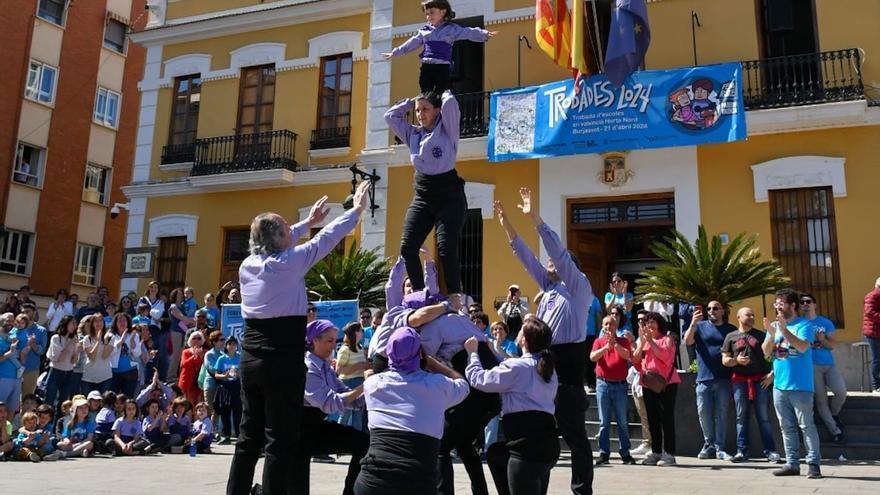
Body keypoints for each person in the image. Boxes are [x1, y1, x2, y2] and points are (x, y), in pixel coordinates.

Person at [228, 181, 370, 495]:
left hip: (251, 358)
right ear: (279, 240)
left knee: (248, 439)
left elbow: (271, 237)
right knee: (280, 440)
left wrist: (305, 222)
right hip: (282, 358)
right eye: (286, 230)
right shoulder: (288, 263)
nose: (291, 232)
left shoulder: (248, 264)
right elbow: (327, 239)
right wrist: (356, 210)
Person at [495, 188, 595, 495]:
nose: (549, 261)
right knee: (544, 436)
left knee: (576, 439)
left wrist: (534, 217)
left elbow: (558, 252)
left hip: (566, 372)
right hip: (542, 368)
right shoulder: (549, 289)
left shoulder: (578, 287)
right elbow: (525, 257)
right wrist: (508, 225)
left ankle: (582, 491)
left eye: (555, 260)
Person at [397, 291, 499, 495]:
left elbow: (423, 361)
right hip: (491, 392)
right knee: (462, 443)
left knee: (440, 445)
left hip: (475, 388)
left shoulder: (433, 325)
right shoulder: (460, 317)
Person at [354, 327, 470, 494]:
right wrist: (434, 364)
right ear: (420, 354)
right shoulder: (437, 385)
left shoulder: (373, 385)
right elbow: (463, 386)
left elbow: (372, 380)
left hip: (372, 481)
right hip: (416, 481)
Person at [385, 89, 467, 297]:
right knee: (407, 247)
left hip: (449, 195)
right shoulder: (413, 134)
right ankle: (420, 293)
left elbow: (451, 106)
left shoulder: (448, 129)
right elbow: (390, 117)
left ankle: (455, 294)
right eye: (418, 110)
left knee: (445, 246)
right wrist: (411, 101)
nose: (420, 114)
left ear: (437, 111)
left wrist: (444, 91)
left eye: (425, 109)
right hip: (423, 193)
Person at [465, 316, 560, 495]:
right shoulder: (547, 369)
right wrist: (495, 348)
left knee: (500, 457)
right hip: (546, 445)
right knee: (495, 454)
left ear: (524, 340)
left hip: (526, 449)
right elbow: (509, 367)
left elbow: (479, 379)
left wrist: (473, 353)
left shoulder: (518, 368)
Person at [294, 320, 369, 495]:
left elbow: (347, 394)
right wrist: (363, 388)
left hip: (316, 429)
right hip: (297, 434)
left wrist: (375, 390)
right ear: (314, 341)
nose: (334, 345)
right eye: (329, 341)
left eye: (335, 340)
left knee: (364, 443)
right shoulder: (308, 368)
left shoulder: (325, 366)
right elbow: (330, 403)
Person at [762, 289, 822, 479]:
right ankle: (792, 464)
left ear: (792, 305)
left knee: (806, 426)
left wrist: (784, 330)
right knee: (786, 427)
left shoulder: (804, 325)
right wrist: (772, 334)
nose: (778, 306)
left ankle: (813, 465)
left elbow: (803, 347)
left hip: (801, 386)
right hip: (780, 386)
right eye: (776, 303)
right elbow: (765, 352)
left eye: (781, 303)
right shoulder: (774, 325)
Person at [382, 0, 496, 93]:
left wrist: (484, 34)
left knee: (441, 93)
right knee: (425, 92)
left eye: (431, 12)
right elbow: (411, 43)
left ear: (442, 12)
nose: (428, 16)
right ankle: (427, 111)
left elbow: (467, 32)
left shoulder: (451, 29)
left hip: (442, 67)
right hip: (426, 66)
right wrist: (395, 52)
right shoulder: (424, 31)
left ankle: (440, 113)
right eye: (426, 13)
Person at [720, 307, 780, 463]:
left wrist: (772, 374)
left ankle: (771, 451)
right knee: (741, 417)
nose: (752, 316)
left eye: (753, 314)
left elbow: (776, 354)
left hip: (761, 381)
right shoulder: (730, 337)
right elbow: (725, 360)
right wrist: (736, 361)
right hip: (740, 381)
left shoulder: (761, 335)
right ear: (738, 317)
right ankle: (742, 451)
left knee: (763, 417)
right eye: (748, 314)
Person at [684, 300, 735, 460]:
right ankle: (708, 444)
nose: (712, 311)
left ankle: (720, 447)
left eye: (715, 308)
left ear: (722, 311)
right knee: (703, 413)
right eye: (709, 308)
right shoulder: (700, 326)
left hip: (724, 378)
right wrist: (693, 322)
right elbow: (687, 341)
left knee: (722, 413)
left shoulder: (730, 329)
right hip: (704, 378)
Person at [632, 312, 681, 466]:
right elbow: (635, 360)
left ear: (659, 324)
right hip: (648, 383)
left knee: (666, 419)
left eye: (653, 322)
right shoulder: (645, 341)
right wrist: (641, 343)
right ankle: (656, 452)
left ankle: (669, 454)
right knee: (653, 419)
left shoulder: (667, 340)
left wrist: (650, 341)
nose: (650, 325)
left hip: (666, 384)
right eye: (647, 322)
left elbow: (665, 358)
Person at [800, 293, 846, 442]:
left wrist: (822, 339)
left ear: (815, 305)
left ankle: (833, 415)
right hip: (811, 366)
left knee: (841, 392)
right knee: (821, 401)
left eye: (808, 301)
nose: (805, 304)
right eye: (802, 302)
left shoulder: (825, 322)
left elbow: (832, 345)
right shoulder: (799, 324)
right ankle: (835, 430)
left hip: (828, 364)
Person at [590, 316, 636, 465]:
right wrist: (605, 348)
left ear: (616, 326)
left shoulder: (623, 341)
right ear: (603, 327)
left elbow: (627, 356)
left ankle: (625, 452)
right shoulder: (598, 342)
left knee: (622, 421)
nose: (609, 326)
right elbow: (592, 357)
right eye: (606, 324)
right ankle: (604, 453)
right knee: (604, 421)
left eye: (612, 324)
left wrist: (615, 344)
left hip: (620, 385)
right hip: (603, 384)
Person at [336, 322, 369, 432]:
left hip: (360, 384)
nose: (362, 332)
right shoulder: (345, 349)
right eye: (360, 330)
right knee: (344, 416)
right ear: (354, 333)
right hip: (347, 384)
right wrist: (357, 367)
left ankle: (356, 445)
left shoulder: (359, 347)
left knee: (358, 417)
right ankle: (338, 443)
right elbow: (339, 370)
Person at [44, 315, 80, 413]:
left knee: (63, 403)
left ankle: (58, 425)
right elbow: (58, 358)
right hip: (56, 371)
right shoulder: (56, 338)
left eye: (75, 324)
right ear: (66, 323)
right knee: (49, 400)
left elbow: (74, 361)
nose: (74, 326)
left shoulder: (74, 339)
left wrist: (77, 349)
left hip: (68, 372)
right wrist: (69, 344)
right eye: (72, 323)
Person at [12, 305, 46, 400]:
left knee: (27, 399)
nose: (24, 314)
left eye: (27, 311)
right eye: (23, 312)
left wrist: (33, 344)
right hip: (13, 368)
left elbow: (42, 351)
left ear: (34, 313)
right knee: (11, 399)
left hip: (31, 369)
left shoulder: (41, 330)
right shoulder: (15, 329)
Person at [213, 336, 242, 444]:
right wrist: (224, 376)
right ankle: (226, 435)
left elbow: (244, 372)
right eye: (229, 344)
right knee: (225, 411)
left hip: (236, 386)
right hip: (225, 386)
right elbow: (216, 374)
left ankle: (240, 435)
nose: (232, 346)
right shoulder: (222, 358)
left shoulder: (240, 357)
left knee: (237, 411)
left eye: (234, 344)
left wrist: (239, 374)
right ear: (226, 346)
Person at [138, 281, 168, 381]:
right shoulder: (142, 299)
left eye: (155, 287)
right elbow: (139, 312)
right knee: (141, 351)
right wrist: (153, 313)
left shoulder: (160, 302)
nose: (153, 289)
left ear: (158, 289)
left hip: (154, 330)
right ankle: (141, 376)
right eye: (151, 287)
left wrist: (147, 311)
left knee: (153, 353)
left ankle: (151, 378)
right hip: (142, 328)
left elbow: (158, 315)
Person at [109, 312, 142, 399]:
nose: (122, 323)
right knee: (113, 399)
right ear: (115, 323)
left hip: (130, 372)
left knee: (128, 399)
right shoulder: (110, 336)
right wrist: (121, 340)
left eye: (124, 320)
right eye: (119, 321)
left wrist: (132, 341)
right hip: (114, 373)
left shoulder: (134, 335)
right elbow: (110, 352)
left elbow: (137, 354)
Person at [80, 314, 114, 394]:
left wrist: (105, 341)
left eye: (100, 320)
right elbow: (91, 357)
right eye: (96, 321)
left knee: (103, 403)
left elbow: (105, 356)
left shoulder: (110, 338)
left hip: (105, 377)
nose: (98, 323)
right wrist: (98, 342)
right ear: (92, 323)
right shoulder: (87, 338)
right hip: (88, 377)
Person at [0, 317, 22, 415]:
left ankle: (8, 430)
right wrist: (10, 352)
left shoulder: (14, 336)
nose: (11, 323)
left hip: (17, 378)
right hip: (3, 377)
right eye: (8, 320)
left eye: (12, 321)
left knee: (12, 409)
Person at [179, 332, 206, 406]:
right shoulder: (186, 352)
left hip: (199, 383)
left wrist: (200, 357)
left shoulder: (205, 352)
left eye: (199, 338)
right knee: (187, 405)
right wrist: (193, 356)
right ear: (190, 340)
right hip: (187, 382)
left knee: (199, 405)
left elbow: (204, 366)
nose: (196, 340)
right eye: (194, 338)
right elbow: (183, 365)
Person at [864, 277, 880, 395]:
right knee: (877, 359)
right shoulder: (873, 295)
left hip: (876, 331)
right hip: (874, 332)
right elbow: (870, 312)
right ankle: (876, 386)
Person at [584, 294, 603, 392]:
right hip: (577, 335)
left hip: (590, 333)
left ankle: (591, 383)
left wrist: (599, 333)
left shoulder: (594, 299)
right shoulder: (574, 296)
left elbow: (599, 315)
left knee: (590, 359)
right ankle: (581, 383)